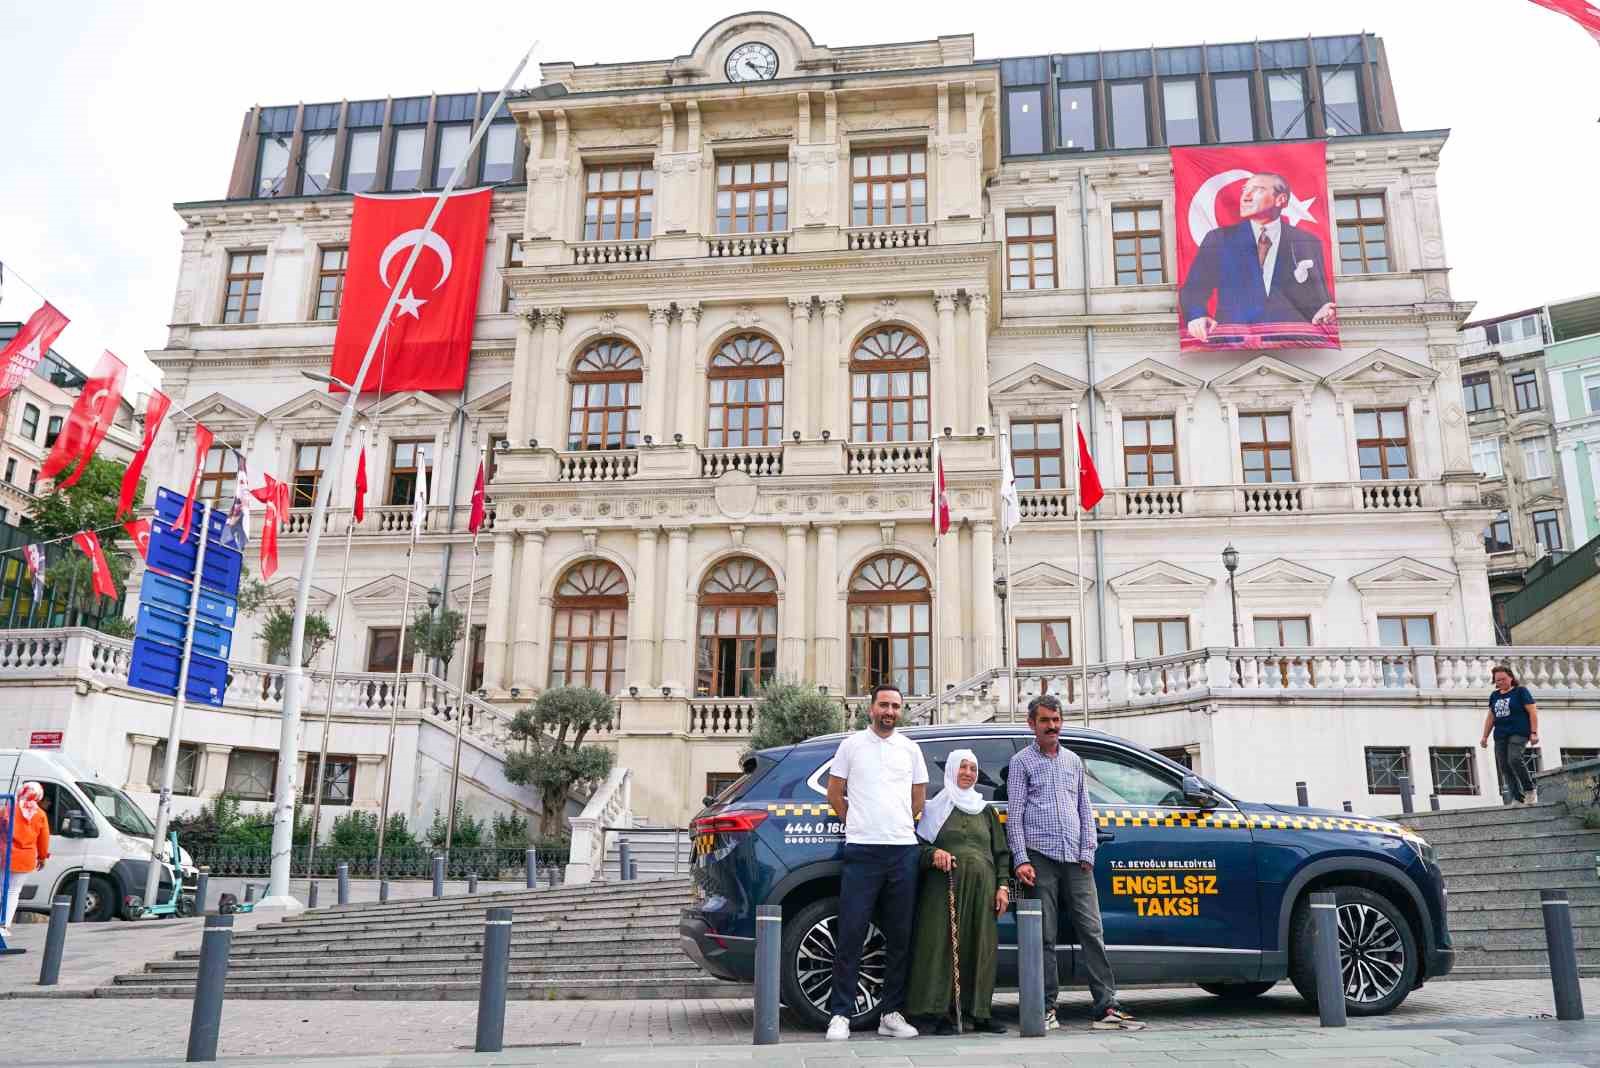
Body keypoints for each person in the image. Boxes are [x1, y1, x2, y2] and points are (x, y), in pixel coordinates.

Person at [1007, 694, 1142, 1030]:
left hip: (1077, 860)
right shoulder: (1022, 762)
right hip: (1040, 859)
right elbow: (1015, 816)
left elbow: (1084, 807)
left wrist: (1088, 850)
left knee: (1092, 931)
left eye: (1056, 720)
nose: (1052, 727)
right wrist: (1021, 858)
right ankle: (1045, 1007)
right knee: (1044, 936)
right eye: (1044, 721)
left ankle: (1106, 1007)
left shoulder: (1072, 761)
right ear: (1032, 724)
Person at [824, 683, 928, 1042]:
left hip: (902, 850)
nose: (889, 711)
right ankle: (840, 1014)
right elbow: (834, 792)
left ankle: (891, 1013)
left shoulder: (910, 748)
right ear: (871, 708)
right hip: (863, 850)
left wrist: (901, 822)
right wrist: (854, 822)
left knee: (900, 936)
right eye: (883, 704)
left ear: (901, 711)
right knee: (851, 933)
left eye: (895, 706)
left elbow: (918, 797)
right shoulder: (851, 746)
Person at [906, 750, 1010, 1034]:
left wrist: (1002, 886)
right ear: (951, 770)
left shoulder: (986, 810)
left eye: (973, 768)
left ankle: (979, 1013)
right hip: (944, 889)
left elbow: (1001, 853)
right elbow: (916, 847)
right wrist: (934, 854)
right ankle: (936, 1012)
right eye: (962, 767)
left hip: (983, 889)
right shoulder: (936, 808)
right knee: (941, 946)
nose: (968, 773)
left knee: (982, 947)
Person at [1179, 171, 1335, 344]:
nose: (1245, 196)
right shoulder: (1219, 239)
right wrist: (1197, 316)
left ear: (1280, 199)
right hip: (1233, 343)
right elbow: (1193, 290)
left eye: (1257, 190)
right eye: (1244, 190)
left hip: (1293, 342)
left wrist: (1323, 310)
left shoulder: (1306, 241)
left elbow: (1317, 295)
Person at [1482, 665, 1540, 805]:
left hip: (1519, 732)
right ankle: (1517, 798)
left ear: (1511, 678)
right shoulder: (1494, 696)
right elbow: (1491, 717)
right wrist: (1485, 736)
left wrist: (1534, 732)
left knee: (1514, 758)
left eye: (1503, 679)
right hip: (1501, 734)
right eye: (1497, 680)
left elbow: (1532, 712)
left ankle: (1529, 790)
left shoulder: (1520, 692)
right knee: (1504, 766)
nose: (1500, 682)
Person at [1, 782, 50, 940]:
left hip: (4, 856)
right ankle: (4, 926)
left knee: (2, 890)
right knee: (14, 892)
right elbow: (43, 839)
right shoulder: (40, 814)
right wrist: (42, 857)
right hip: (25, 859)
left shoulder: (8, 809)